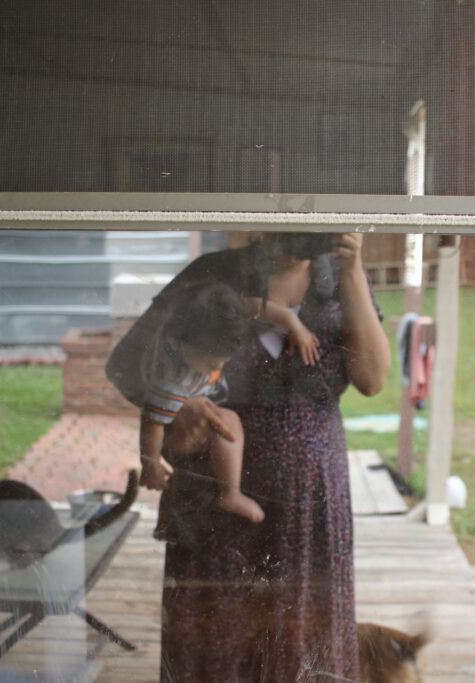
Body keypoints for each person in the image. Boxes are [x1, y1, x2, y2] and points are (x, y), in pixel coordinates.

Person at [116, 232, 390, 681]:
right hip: (211, 488)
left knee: (303, 635)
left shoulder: (338, 281)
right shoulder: (211, 275)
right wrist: (178, 403)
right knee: (214, 636)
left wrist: (353, 270)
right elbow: (127, 363)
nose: (286, 248)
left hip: (310, 497)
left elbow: (373, 379)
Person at [137, 281, 265, 524]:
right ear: (179, 344)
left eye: (222, 362)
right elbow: (152, 422)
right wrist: (151, 463)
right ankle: (231, 494)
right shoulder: (172, 382)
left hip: (190, 416)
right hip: (178, 434)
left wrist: (292, 323)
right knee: (229, 422)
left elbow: (254, 305)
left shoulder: (187, 333)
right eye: (209, 364)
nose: (217, 368)